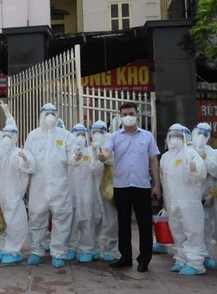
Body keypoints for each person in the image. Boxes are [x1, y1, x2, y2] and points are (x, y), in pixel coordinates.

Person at [99, 102, 161, 272]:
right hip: (121, 185)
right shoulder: (114, 137)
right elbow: (105, 152)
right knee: (123, 222)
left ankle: (144, 260)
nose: (128, 117)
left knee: (144, 223)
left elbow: (154, 160)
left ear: (137, 115)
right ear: (120, 116)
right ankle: (125, 256)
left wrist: (157, 184)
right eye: (125, 114)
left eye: (131, 113)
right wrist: (102, 156)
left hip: (142, 185)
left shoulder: (147, 136)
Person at [24, 103, 77, 268]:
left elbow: (72, 158)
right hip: (39, 186)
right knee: (36, 220)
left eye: (53, 113)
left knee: (62, 220)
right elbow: (27, 157)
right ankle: (36, 251)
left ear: (57, 115)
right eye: (47, 113)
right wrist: (25, 160)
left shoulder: (66, 135)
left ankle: (58, 253)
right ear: (41, 115)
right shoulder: (33, 136)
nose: (50, 116)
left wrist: (77, 156)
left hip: (60, 186)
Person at [161, 124, 207, 275]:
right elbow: (164, 180)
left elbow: (200, 175)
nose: (175, 139)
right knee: (177, 231)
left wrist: (193, 170)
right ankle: (181, 259)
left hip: (189, 201)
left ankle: (195, 263)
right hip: (172, 201)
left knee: (193, 232)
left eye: (178, 136)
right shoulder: (165, 157)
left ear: (186, 137)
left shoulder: (190, 153)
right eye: (172, 136)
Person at [0, 124, 35, 264]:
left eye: (10, 136)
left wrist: (26, 159)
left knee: (14, 223)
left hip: (14, 195)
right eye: (5, 135)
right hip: (0, 194)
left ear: (15, 138)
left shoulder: (19, 153)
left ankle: (13, 252)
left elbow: (30, 168)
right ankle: (1, 249)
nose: (7, 139)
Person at [66, 123, 103, 263]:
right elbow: (67, 164)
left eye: (83, 135)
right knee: (71, 221)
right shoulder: (68, 151)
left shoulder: (89, 151)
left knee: (87, 220)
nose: (80, 138)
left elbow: (96, 169)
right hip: (71, 192)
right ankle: (70, 247)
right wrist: (75, 157)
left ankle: (86, 249)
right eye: (77, 135)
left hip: (87, 192)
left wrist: (94, 154)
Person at [91, 120, 118, 262]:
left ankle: (111, 249)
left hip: (108, 188)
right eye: (94, 132)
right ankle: (94, 247)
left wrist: (103, 155)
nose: (97, 135)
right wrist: (95, 154)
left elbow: (111, 160)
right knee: (95, 217)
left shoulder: (111, 145)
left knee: (111, 218)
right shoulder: (90, 149)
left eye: (100, 132)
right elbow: (92, 168)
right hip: (94, 188)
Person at [191, 122, 217, 270]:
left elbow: (215, 170)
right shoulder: (187, 149)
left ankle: (207, 254)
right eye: (199, 133)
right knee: (191, 228)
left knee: (207, 227)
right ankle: (192, 256)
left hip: (207, 198)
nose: (201, 137)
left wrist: (204, 158)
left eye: (205, 134)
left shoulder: (212, 152)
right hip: (190, 196)